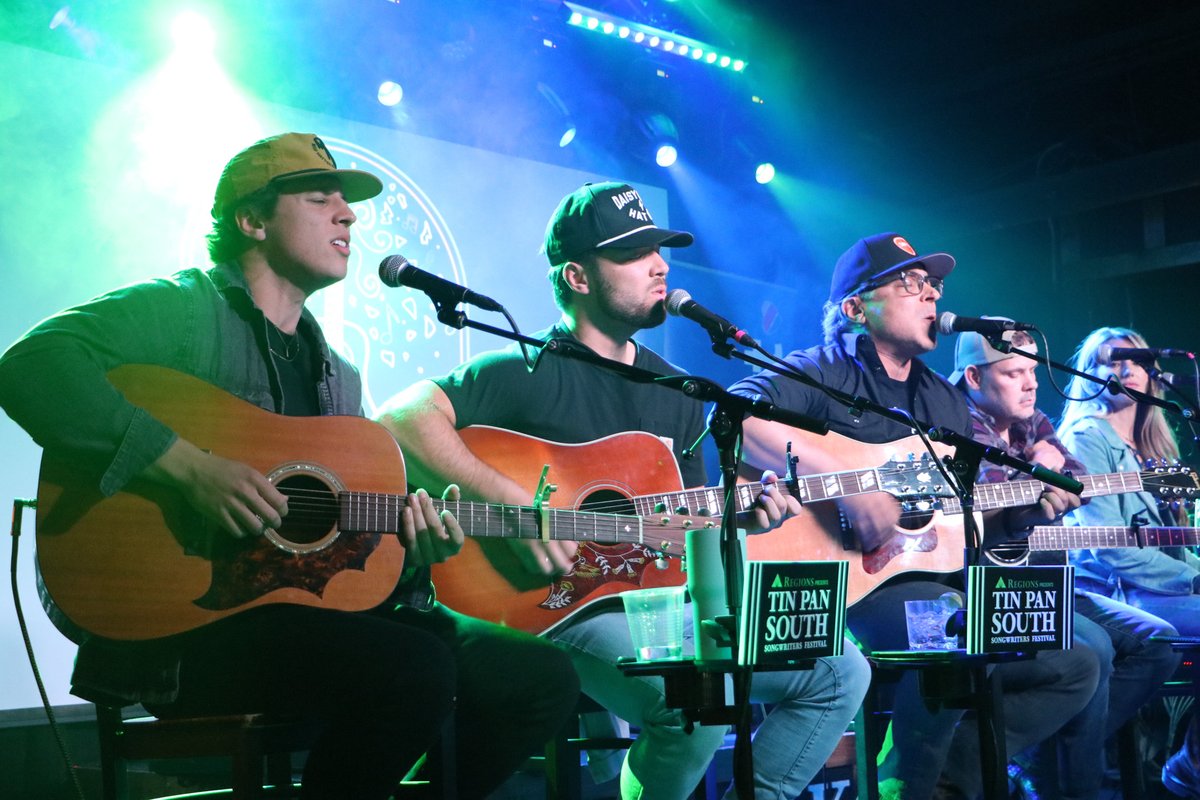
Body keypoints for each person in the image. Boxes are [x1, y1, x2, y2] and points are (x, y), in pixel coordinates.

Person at [0, 132, 579, 800]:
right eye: (319, 197)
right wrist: (185, 467)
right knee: (411, 668)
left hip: (303, 623)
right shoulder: (182, 311)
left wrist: (415, 548)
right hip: (188, 633)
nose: (349, 214)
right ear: (252, 220)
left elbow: (335, 557)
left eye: (347, 201)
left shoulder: (338, 377)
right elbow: (30, 368)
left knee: (540, 680)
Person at [376, 181, 873, 800]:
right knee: (695, 705)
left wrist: (739, 519)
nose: (660, 264)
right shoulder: (523, 371)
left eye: (659, 250)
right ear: (578, 278)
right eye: (634, 253)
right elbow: (398, 416)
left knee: (842, 671)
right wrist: (513, 504)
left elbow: (684, 526)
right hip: (551, 604)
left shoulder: (681, 391)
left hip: (652, 606)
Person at [729, 232, 1101, 800]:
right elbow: (737, 417)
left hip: (928, 579)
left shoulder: (942, 400)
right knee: (951, 629)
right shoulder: (822, 371)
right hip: (839, 584)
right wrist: (847, 487)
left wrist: (1024, 512)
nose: (931, 295)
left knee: (1075, 660)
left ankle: (936, 780)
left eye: (933, 285)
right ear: (855, 308)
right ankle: (908, 783)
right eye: (910, 284)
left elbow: (960, 520)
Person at [949, 326, 1179, 800]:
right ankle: (1065, 782)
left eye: (1033, 371)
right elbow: (999, 499)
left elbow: (1073, 482)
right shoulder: (958, 418)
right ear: (974, 376)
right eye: (1015, 372)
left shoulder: (1031, 422)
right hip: (984, 590)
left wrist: (1045, 466)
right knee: (1092, 651)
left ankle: (1042, 757)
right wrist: (1035, 465)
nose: (1032, 384)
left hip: (1049, 582)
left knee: (1159, 642)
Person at [1057, 326, 1200, 798]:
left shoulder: (1155, 443)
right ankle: (1189, 764)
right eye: (1108, 361)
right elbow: (1114, 550)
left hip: (1161, 587)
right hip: (1114, 593)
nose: (1124, 368)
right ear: (1086, 375)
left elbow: (1172, 541)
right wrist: (1195, 578)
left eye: (1135, 359)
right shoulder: (1086, 437)